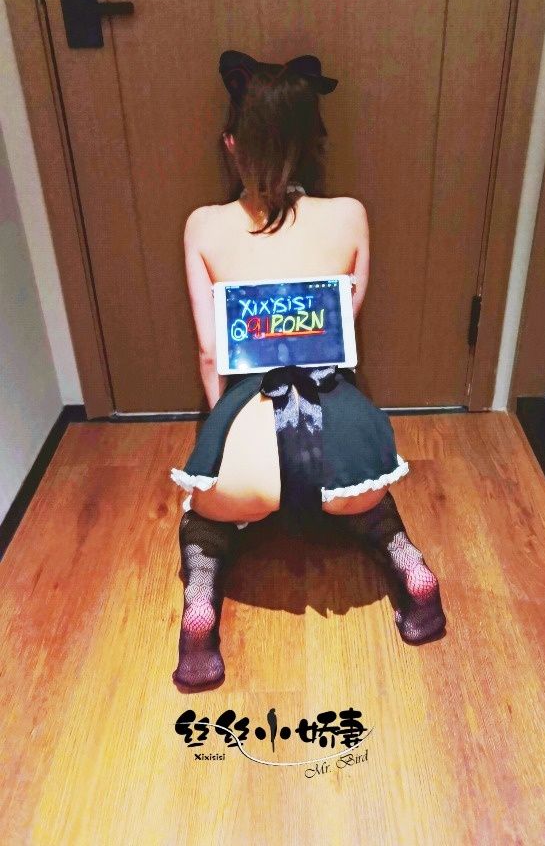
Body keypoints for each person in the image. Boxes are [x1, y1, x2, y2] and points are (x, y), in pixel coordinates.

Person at [170, 50, 446, 688]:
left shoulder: (203, 226)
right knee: (371, 503)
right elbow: (344, 330)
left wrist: (225, 434)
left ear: (232, 144)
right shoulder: (349, 214)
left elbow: (210, 355)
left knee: (203, 521)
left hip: (249, 437)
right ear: (312, 142)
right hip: (342, 435)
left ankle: (200, 604)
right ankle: (411, 569)